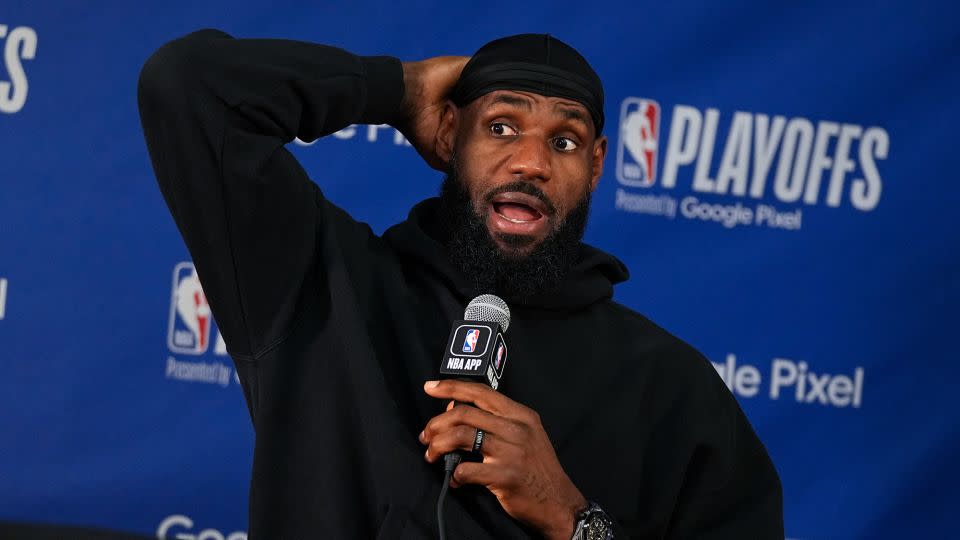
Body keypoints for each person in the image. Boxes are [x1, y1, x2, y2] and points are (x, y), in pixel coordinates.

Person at [138, 28, 783, 539]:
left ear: (596, 167)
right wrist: (398, 87)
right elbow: (189, 87)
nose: (530, 162)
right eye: (501, 126)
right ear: (449, 133)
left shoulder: (675, 392)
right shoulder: (323, 284)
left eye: (564, 141)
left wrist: (571, 518)